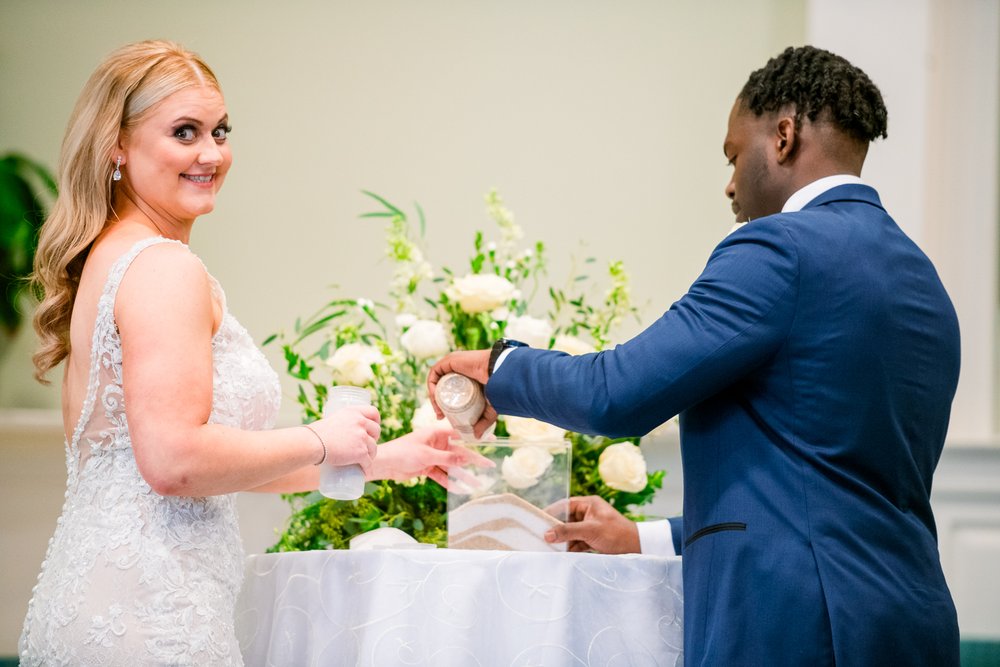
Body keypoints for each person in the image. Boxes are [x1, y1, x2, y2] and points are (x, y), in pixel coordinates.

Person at [429, 45, 960, 666]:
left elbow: (617, 393)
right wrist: (639, 538)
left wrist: (502, 367)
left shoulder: (778, 250)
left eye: (735, 155)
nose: (730, 184)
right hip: (912, 621)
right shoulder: (925, 281)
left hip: (798, 628)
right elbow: (839, 486)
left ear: (783, 136)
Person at [20, 40, 471, 666]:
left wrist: (384, 458)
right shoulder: (162, 269)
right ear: (115, 147)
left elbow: (207, 465)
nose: (212, 154)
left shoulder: (116, 255)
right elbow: (174, 461)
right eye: (184, 133)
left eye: (220, 131)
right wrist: (321, 437)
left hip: (114, 601)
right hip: (150, 618)